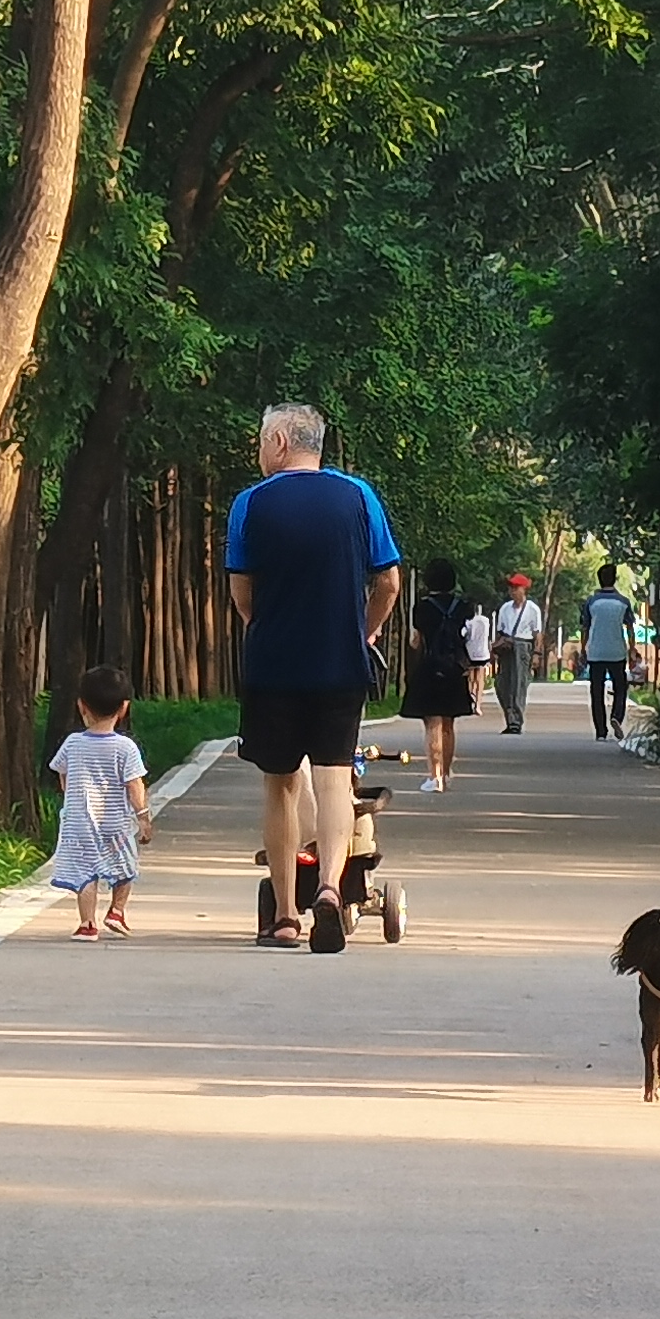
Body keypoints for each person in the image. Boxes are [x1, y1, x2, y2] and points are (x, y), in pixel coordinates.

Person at [225, 401, 401, 951]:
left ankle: (283, 914)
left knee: (279, 787)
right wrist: (363, 633)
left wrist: (268, 627)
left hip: (273, 666)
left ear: (279, 441)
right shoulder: (359, 497)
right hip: (340, 664)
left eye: (260, 441)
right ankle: (328, 889)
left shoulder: (250, 504)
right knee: (332, 782)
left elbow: (241, 590)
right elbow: (389, 582)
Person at [46, 671, 151, 937]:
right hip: (114, 824)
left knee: (85, 873)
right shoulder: (126, 748)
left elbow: (63, 775)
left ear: (81, 705)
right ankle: (116, 910)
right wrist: (143, 816)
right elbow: (135, 785)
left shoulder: (72, 743)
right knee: (125, 868)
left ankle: (87, 923)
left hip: (79, 824)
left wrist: (72, 797)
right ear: (124, 707)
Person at [402, 557, 479, 788]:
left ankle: (433, 776)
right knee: (449, 723)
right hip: (455, 668)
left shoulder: (422, 607)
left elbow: (417, 641)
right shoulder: (463, 607)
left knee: (432, 723)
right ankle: (446, 772)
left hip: (430, 667)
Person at [580, 564, 638, 740]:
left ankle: (601, 732)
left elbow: (585, 627)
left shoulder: (591, 602)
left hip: (596, 652)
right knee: (620, 688)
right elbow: (630, 628)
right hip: (617, 651)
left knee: (596, 692)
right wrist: (632, 649)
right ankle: (616, 716)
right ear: (615, 579)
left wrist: (583, 649)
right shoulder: (623, 602)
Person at [492, 571, 546, 732]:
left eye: (516, 588)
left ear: (524, 589)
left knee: (518, 685)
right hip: (507, 646)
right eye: (511, 588)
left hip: (523, 646)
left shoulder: (532, 609)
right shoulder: (505, 608)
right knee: (502, 684)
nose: (513, 591)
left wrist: (536, 654)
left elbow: (537, 633)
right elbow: (500, 631)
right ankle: (509, 717)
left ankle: (515, 721)